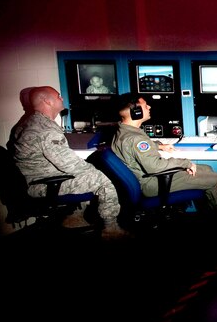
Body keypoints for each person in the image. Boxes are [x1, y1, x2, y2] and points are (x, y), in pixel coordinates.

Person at [7, 86, 130, 240]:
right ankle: (111, 229)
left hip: (36, 179)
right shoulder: (45, 129)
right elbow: (71, 166)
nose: (62, 98)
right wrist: (97, 169)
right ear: (47, 101)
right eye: (58, 96)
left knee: (91, 171)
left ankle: (75, 216)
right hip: (43, 185)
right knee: (104, 180)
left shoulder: (28, 122)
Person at [111, 93, 217, 213]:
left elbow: (136, 147)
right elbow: (154, 166)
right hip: (153, 183)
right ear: (136, 112)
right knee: (216, 179)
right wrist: (185, 163)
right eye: (145, 105)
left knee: (207, 169)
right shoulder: (136, 138)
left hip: (146, 179)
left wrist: (160, 146)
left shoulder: (123, 132)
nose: (149, 107)